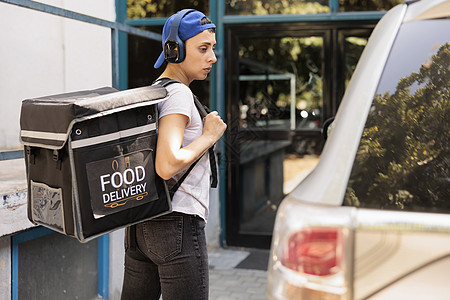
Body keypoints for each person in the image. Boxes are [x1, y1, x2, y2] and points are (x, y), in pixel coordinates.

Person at [121, 9, 227, 300]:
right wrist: (208, 136)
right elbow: (167, 164)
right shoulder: (178, 94)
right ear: (175, 50)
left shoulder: (156, 89)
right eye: (203, 49)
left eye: (213, 49)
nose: (212, 58)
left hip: (142, 224)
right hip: (177, 223)